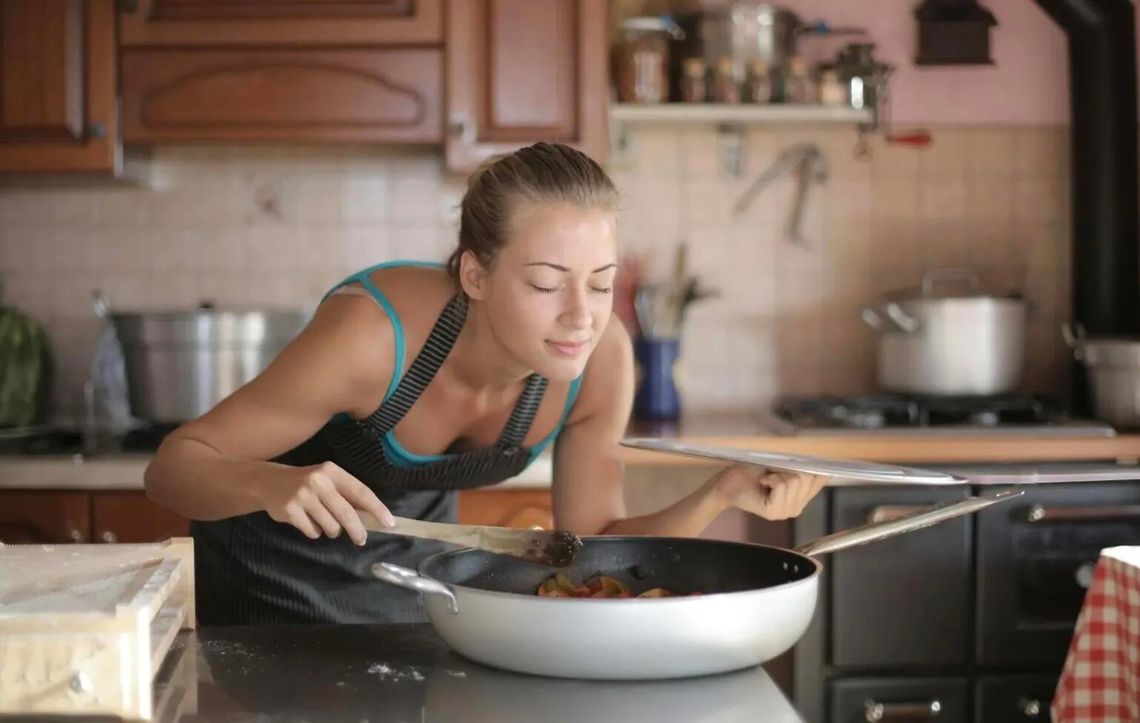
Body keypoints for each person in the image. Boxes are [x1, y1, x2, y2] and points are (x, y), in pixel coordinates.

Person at [144, 142, 828, 625]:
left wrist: (721, 493)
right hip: (268, 591)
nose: (580, 317)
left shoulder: (602, 360)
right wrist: (272, 482)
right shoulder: (371, 338)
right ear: (475, 275)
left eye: (600, 284)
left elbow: (590, 547)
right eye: (544, 283)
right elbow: (173, 468)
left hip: (413, 585)